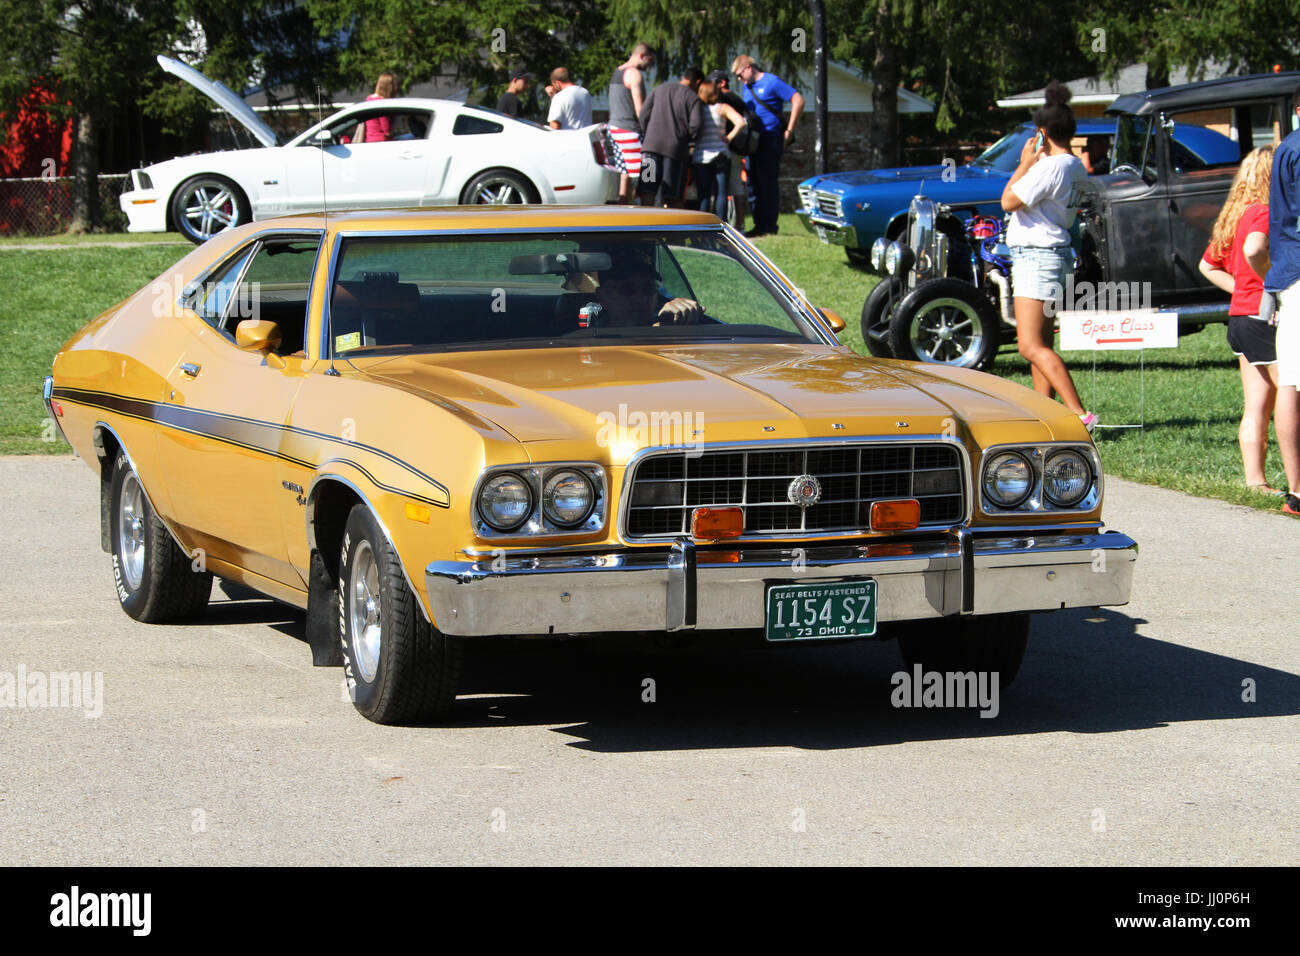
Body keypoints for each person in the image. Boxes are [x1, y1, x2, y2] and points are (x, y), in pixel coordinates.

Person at [1199, 146, 1298, 497]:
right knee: (1291, 396)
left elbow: (1207, 265)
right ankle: (1295, 483)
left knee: (1256, 405)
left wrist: (1242, 289)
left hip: (1240, 318)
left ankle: (1255, 482)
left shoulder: (1234, 216)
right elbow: (1255, 250)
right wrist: (1269, 285)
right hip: (1265, 317)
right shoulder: (1264, 214)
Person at [999, 80, 1096, 430]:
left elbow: (1008, 201)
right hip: (1055, 255)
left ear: (1041, 133)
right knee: (1043, 341)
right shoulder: (1074, 165)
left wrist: (1024, 163)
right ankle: (1046, 412)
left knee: (1027, 344)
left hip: (1036, 257)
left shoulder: (1049, 167)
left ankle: (1079, 413)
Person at [1263, 83, 1300, 515]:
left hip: (1289, 272)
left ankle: (1297, 489)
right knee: (1291, 383)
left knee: (1291, 381)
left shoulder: (1286, 148)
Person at [730, 54, 803, 237]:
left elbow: (798, 100)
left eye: (739, 75)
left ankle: (769, 225)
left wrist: (789, 131)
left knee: (767, 182)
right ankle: (759, 223)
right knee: (753, 182)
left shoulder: (772, 82)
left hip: (770, 139)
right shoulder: (747, 88)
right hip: (753, 142)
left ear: (748, 68)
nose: (739, 80)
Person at [637, 68, 704, 208]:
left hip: (651, 148)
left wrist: (647, 134)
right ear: (697, 82)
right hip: (675, 153)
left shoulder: (659, 89)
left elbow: (643, 114)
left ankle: (645, 224)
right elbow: (696, 125)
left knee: (648, 189)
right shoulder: (692, 97)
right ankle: (671, 227)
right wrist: (689, 140)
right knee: (673, 193)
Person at [590, 247, 702, 327]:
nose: (640, 298)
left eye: (648, 288)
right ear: (602, 296)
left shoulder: (668, 327)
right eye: (627, 289)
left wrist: (672, 322)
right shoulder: (586, 340)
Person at [692, 80, 746, 221]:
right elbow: (741, 122)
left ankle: (701, 224)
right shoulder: (722, 108)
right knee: (721, 193)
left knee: (703, 194)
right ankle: (720, 224)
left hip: (701, 156)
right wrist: (729, 137)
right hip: (721, 154)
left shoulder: (697, 110)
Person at [705, 70, 752, 230]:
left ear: (722, 83)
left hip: (727, 149)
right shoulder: (738, 99)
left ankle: (719, 225)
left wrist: (728, 138)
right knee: (736, 186)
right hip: (738, 149)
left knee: (723, 189)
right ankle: (740, 223)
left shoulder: (725, 100)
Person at [608, 44, 654, 203]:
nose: (650, 65)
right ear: (642, 55)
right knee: (648, 169)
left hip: (614, 128)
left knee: (625, 173)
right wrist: (650, 131)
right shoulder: (634, 74)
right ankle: (646, 211)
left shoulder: (617, 72)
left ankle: (623, 211)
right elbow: (640, 109)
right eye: (650, 60)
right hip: (630, 130)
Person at [360, 72, 396, 143]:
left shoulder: (369, 99)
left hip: (370, 139)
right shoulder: (381, 103)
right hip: (381, 141)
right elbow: (387, 130)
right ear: (389, 87)